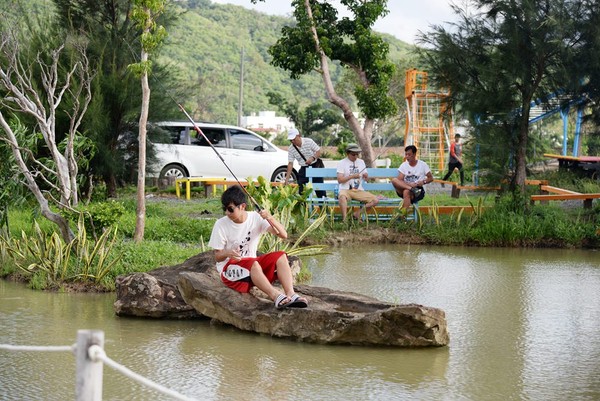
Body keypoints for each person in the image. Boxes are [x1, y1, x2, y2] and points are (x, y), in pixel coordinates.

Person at [208, 185, 308, 309]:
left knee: (280, 255)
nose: (227, 213)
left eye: (230, 209)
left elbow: (283, 235)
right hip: (230, 271)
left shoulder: (255, 218)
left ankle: (291, 294)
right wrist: (228, 253)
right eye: (225, 208)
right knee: (253, 264)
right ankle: (276, 296)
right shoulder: (221, 224)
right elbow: (217, 257)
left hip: (252, 267)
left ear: (242, 206)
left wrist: (269, 217)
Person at [336, 143, 379, 221]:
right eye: (353, 154)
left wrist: (366, 176)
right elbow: (340, 180)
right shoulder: (341, 163)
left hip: (358, 190)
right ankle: (344, 219)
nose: (355, 156)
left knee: (375, 200)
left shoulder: (361, 162)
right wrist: (352, 176)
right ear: (347, 153)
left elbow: (366, 177)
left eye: (357, 154)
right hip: (345, 190)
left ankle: (357, 214)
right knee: (342, 197)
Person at [284, 128, 326, 198]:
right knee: (302, 193)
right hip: (304, 169)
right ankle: (305, 208)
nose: (293, 141)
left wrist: (312, 158)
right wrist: (287, 179)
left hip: (315, 167)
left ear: (299, 135)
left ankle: (324, 208)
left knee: (320, 192)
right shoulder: (291, 148)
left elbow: (318, 151)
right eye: (291, 140)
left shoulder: (309, 141)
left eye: (294, 139)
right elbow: (290, 163)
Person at [392, 145, 434, 211]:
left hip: (418, 190)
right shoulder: (404, 165)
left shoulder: (422, 165)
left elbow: (431, 178)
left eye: (409, 154)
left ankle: (403, 215)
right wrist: (410, 186)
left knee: (406, 192)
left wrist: (423, 182)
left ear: (414, 154)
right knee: (394, 180)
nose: (407, 157)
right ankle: (411, 189)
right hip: (404, 188)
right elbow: (399, 180)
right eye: (406, 154)